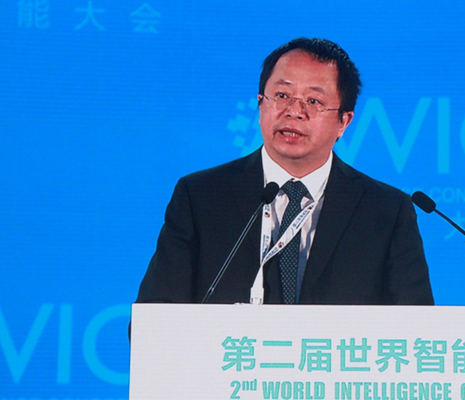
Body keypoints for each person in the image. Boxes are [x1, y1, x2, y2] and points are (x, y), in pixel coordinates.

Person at [135, 38, 434, 305]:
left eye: (313, 101)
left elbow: (417, 331)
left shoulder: (386, 211)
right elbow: (154, 319)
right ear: (260, 104)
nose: (294, 111)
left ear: (344, 122)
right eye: (281, 95)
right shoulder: (201, 197)